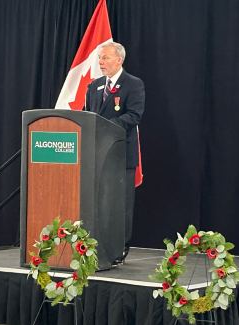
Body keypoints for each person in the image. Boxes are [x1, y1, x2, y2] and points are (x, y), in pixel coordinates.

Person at [84, 41, 145, 265]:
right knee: (98, 202)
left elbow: (134, 115)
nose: (100, 62)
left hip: (120, 155)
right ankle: (95, 247)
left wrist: (105, 126)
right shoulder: (94, 85)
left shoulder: (133, 84)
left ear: (119, 60)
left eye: (105, 58)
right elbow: (86, 114)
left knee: (121, 204)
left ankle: (119, 249)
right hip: (95, 155)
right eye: (100, 58)